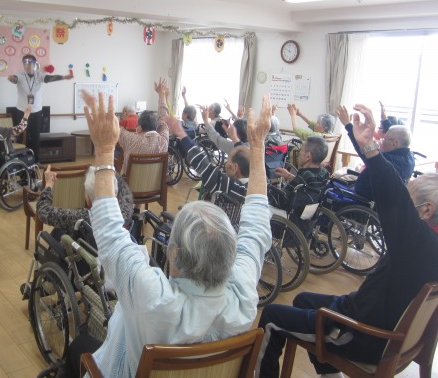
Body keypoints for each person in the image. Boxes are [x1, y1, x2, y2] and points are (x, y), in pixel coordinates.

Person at [47, 90, 271, 378]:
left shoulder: (153, 298)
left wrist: (103, 150)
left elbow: (110, 234)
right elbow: (255, 231)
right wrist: (257, 148)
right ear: (231, 255)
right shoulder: (243, 299)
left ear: (173, 255)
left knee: (79, 348)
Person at [256, 104, 438, 378]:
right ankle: (330, 375)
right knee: (303, 299)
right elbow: (393, 191)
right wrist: (360, 140)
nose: (403, 209)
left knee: (272, 316)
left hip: (361, 333)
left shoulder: (418, 244)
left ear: (426, 211)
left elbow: (392, 193)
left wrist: (371, 150)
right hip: (376, 321)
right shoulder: (428, 244)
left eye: (411, 202)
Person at [37, 164, 134, 241]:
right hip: (110, 255)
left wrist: (48, 185)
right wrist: (108, 173)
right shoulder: (124, 213)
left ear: (88, 200)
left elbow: (43, 211)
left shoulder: (80, 218)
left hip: (84, 256)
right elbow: (124, 190)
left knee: (58, 230)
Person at [337, 105, 414, 200]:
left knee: (330, 187)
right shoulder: (409, 157)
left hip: (364, 197)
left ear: (394, 143)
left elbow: (363, 149)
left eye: (385, 139)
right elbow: (395, 133)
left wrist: (348, 125)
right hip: (383, 197)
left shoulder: (387, 159)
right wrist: (384, 120)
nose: (381, 140)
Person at [7, 54, 74, 157]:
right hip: (22, 111)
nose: (27, 65)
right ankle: (21, 160)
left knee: (35, 136)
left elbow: (49, 78)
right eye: (25, 63)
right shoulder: (20, 75)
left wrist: (64, 77)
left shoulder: (40, 75)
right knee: (21, 136)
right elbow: (15, 79)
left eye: (30, 63)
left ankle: (36, 160)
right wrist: (11, 78)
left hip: (36, 111)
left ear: (34, 64)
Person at [117, 77, 169, 174]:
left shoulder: (130, 140)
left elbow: (114, 128)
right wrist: (162, 95)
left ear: (139, 128)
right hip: (155, 183)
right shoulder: (164, 141)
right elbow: (164, 119)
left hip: (130, 184)